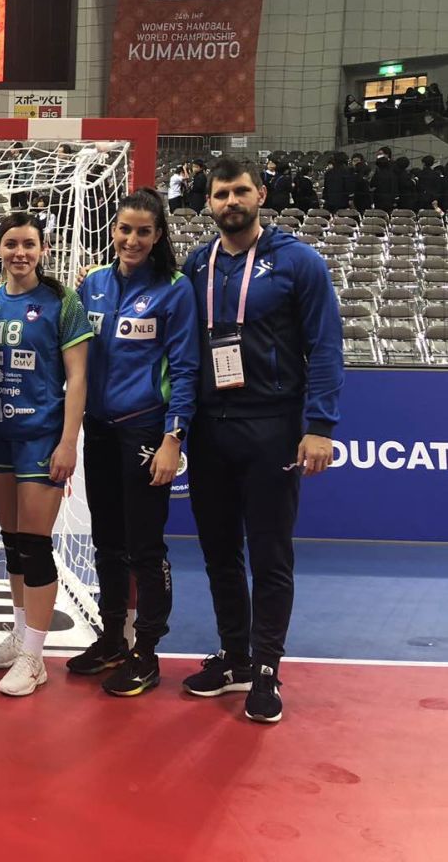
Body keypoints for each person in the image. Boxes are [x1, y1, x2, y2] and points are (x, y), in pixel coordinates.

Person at [181, 158, 343, 724]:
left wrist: (319, 426)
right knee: (219, 551)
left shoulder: (299, 262)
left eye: (240, 191)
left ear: (261, 195)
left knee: (271, 553)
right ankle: (235, 658)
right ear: (208, 202)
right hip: (209, 426)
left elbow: (326, 347)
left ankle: (268, 667)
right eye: (220, 193)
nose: (231, 201)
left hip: (272, 425)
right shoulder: (197, 263)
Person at [68, 188, 199, 696]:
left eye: (144, 231)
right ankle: (112, 639)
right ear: (114, 230)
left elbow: (185, 368)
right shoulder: (94, 284)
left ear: (158, 235)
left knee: (145, 545)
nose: (132, 239)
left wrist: (173, 437)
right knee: (107, 541)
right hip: (99, 428)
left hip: (146, 429)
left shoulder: (175, 289)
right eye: (125, 229)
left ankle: (147, 650)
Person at [0, 211, 91, 697]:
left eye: (29, 244)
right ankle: (20, 635)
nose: (20, 252)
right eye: (11, 244)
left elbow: (78, 378)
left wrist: (68, 441)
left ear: (43, 249)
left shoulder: (62, 303)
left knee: (35, 543)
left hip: (41, 438)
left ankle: (34, 657)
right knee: (12, 542)